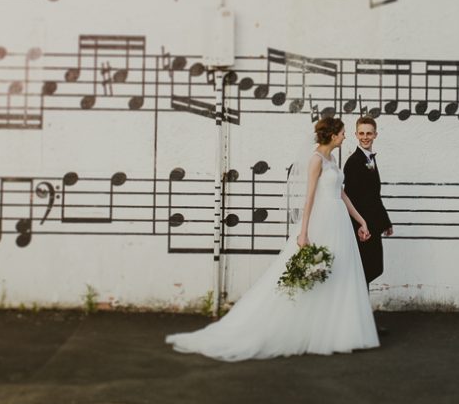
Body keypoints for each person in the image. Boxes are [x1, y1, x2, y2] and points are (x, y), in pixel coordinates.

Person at [166, 117, 379, 361]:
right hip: (323, 221)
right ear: (332, 135)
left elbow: (341, 193)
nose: (345, 136)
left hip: (340, 221)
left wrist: (361, 220)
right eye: (342, 133)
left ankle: (336, 332)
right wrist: (304, 232)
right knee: (311, 275)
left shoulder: (332, 159)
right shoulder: (316, 160)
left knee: (338, 274)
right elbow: (308, 198)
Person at [343, 115, 393, 293]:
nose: (365, 137)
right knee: (364, 270)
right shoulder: (354, 162)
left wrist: (385, 222)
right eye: (362, 133)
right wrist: (360, 226)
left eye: (369, 133)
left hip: (373, 223)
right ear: (356, 134)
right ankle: (358, 313)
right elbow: (350, 198)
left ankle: (360, 312)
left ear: (375, 135)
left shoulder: (369, 159)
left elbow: (373, 195)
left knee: (371, 269)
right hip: (363, 227)